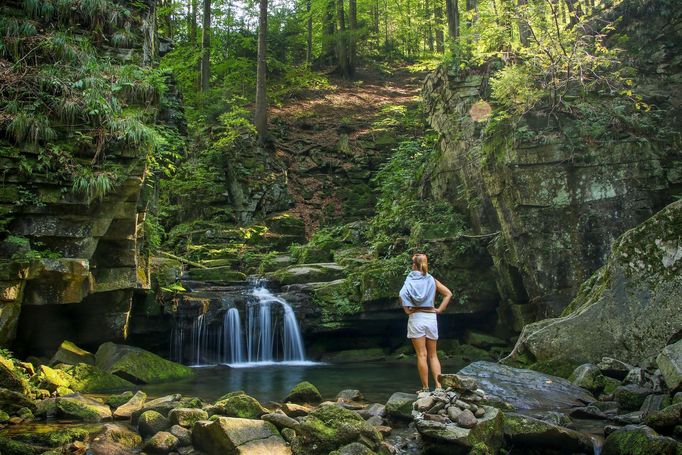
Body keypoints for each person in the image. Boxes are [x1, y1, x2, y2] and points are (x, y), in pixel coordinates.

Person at [399, 253, 452, 392]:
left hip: (416, 317)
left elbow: (402, 294)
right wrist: (439, 309)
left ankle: (425, 388)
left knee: (422, 354)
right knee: (433, 355)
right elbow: (448, 294)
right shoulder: (431, 279)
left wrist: (406, 310)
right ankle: (439, 386)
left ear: (413, 265)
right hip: (430, 317)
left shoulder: (410, 279)